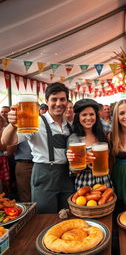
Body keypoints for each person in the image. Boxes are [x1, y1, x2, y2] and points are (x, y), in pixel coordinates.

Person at [1, 82, 74, 213]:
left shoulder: (69, 126)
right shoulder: (35, 121)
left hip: (66, 176)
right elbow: (7, 141)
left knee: (67, 213)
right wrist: (12, 125)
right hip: (44, 174)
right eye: (54, 99)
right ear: (46, 101)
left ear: (67, 101)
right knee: (44, 216)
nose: (58, 103)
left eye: (62, 99)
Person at [66, 99, 112, 190]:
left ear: (96, 116)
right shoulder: (73, 138)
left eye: (91, 114)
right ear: (78, 117)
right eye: (84, 115)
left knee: (106, 203)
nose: (88, 118)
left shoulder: (102, 134)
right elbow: (72, 170)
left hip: (104, 179)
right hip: (84, 182)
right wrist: (84, 161)